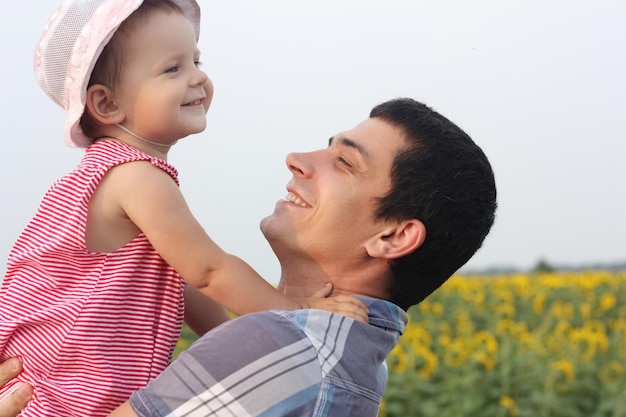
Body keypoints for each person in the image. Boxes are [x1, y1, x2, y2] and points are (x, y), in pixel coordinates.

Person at [0, 97, 497, 416]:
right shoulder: (351, 358)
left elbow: (210, 276)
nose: (298, 159)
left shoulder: (279, 342)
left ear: (392, 237)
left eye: (344, 161)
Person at [0, 1, 366, 416]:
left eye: (196, 59)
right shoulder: (135, 176)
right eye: (172, 69)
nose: (199, 77)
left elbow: (182, 286)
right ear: (106, 105)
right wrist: (299, 315)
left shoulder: (109, 176)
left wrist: (249, 343)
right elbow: (210, 271)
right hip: (65, 398)